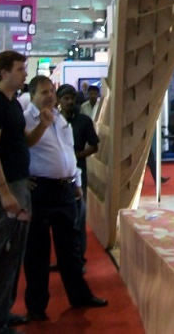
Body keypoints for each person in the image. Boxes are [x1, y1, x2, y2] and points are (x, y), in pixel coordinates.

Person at [0, 51, 53, 334]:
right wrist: (4, 192)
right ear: (4, 72)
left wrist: (43, 125)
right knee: (4, 254)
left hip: (18, 184)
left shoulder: (11, 105)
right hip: (7, 187)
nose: (24, 74)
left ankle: (2, 312)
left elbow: (24, 143)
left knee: (13, 255)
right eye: (20, 69)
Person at [23, 75, 108, 320]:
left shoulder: (59, 118)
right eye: (44, 92)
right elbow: (19, 149)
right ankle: (36, 307)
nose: (50, 96)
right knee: (37, 252)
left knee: (70, 248)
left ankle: (79, 295)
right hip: (40, 190)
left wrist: (76, 182)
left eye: (51, 91)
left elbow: (68, 152)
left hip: (66, 189)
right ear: (32, 95)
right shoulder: (26, 119)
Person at [57, 84, 99, 266]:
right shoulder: (53, 121)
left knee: (78, 218)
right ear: (59, 100)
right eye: (65, 98)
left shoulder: (84, 121)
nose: (69, 102)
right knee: (60, 221)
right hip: (56, 175)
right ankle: (64, 260)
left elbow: (94, 146)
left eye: (72, 98)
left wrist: (78, 155)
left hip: (78, 173)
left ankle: (78, 259)